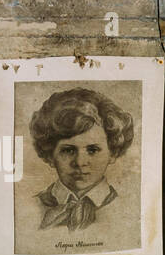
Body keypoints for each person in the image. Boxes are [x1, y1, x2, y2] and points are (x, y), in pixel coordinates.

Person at [30, 88, 133, 232]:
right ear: (50, 155)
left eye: (92, 150)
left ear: (113, 153)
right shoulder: (29, 209)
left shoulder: (129, 211)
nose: (80, 162)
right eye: (68, 150)